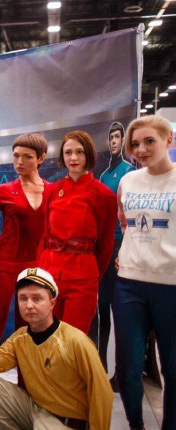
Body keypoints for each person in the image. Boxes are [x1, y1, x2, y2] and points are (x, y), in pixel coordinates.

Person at [0, 268, 113, 430]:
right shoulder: (20, 338)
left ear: (52, 303)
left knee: (44, 426)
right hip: (34, 411)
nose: (29, 305)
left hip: (63, 422)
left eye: (37, 299)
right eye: (23, 299)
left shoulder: (75, 341)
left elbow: (102, 392)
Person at [113, 115, 175, 430]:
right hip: (130, 285)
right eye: (135, 144)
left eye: (149, 141)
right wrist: (128, 253)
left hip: (171, 286)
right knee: (127, 367)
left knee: (172, 369)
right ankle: (136, 425)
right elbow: (125, 224)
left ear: (169, 140)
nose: (141, 149)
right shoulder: (129, 181)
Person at [0, 133, 53, 348]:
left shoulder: (53, 191)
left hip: (38, 265)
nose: (19, 162)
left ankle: (25, 365)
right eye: (16, 156)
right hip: (5, 264)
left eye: (27, 157)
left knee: (30, 322)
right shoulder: (3, 190)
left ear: (41, 158)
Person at [38, 131, 117, 334]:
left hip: (82, 277)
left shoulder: (104, 195)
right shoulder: (52, 191)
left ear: (88, 154)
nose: (73, 157)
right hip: (50, 273)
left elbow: (106, 245)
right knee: (46, 337)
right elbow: (44, 236)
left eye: (79, 152)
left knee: (73, 339)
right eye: (68, 152)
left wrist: (91, 275)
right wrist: (41, 270)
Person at [91, 122, 134, 377]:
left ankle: (120, 371)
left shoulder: (129, 172)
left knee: (119, 310)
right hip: (102, 245)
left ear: (123, 140)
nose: (114, 141)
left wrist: (125, 250)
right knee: (102, 306)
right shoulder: (104, 176)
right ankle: (101, 367)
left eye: (118, 137)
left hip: (121, 244)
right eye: (111, 137)